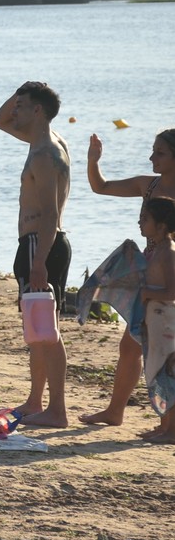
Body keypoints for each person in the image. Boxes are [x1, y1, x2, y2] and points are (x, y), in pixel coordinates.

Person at [80, 127, 175, 427]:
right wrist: (93, 160)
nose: (151, 157)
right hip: (151, 279)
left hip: (169, 280)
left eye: (160, 153)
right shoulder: (148, 186)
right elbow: (101, 187)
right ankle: (115, 411)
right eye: (152, 150)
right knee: (131, 345)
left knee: (165, 353)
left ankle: (165, 424)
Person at [0, 81, 72, 427]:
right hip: (39, 246)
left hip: (41, 246)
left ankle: (57, 410)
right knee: (36, 329)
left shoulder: (44, 154)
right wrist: (21, 89)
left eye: (22, 105)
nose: (15, 111)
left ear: (38, 110)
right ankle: (35, 400)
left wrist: (39, 260)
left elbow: (51, 214)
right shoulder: (44, 142)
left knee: (47, 330)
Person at [139, 197, 175, 443]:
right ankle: (164, 426)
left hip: (166, 319)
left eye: (145, 219)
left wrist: (147, 294)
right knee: (154, 369)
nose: (140, 223)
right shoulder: (156, 250)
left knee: (168, 370)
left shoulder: (169, 253)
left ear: (161, 226)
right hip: (154, 318)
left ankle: (172, 431)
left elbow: (172, 292)